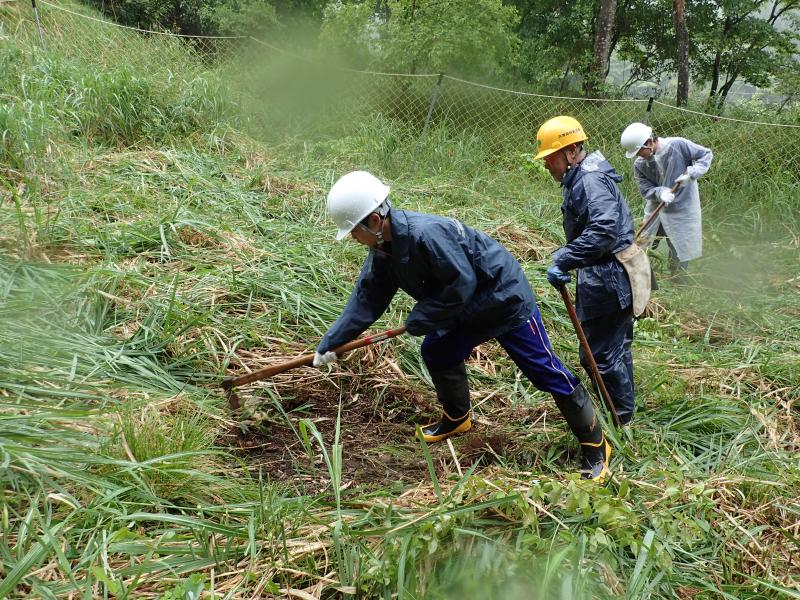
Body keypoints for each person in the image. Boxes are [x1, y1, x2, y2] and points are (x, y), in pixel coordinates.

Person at [313, 170, 611, 479]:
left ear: (375, 221)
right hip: (465, 309)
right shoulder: (382, 251)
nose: (352, 237)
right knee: (438, 350)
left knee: (544, 370)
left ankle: (595, 446)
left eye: (353, 230)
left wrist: (423, 317)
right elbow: (366, 300)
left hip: (503, 299)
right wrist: (332, 341)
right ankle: (457, 418)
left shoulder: (425, 235)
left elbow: (461, 283)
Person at [533, 116, 638, 426]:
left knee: (601, 356)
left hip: (609, 278)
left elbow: (604, 229)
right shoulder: (583, 177)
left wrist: (566, 257)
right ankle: (623, 412)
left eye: (549, 157)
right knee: (613, 349)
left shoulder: (590, 180)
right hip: (605, 275)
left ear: (571, 151)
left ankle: (620, 421)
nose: (546, 165)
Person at [620, 122, 713, 278]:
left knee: (678, 244)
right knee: (645, 241)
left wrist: (691, 173)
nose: (638, 155)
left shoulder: (678, 145)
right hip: (657, 208)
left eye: (639, 151)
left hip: (682, 207)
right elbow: (645, 189)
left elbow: (706, 154)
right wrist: (660, 192)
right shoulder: (640, 164)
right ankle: (642, 276)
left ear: (649, 142)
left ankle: (677, 279)